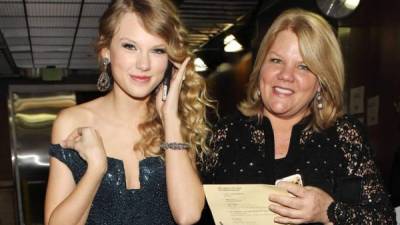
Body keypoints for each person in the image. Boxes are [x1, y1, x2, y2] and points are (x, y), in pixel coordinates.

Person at [200, 8, 395, 224]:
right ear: (261, 66)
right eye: (276, 60)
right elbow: (192, 214)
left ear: (321, 81)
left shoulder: (344, 136)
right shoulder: (225, 134)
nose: (285, 75)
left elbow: (383, 219)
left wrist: (328, 211)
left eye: (303, 66)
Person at [44, 0, 214, 224]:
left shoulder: (175, 124)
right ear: (106, 52)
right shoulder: (73, 122)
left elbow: (188, 215)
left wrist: (170, 119)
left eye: (157, 50)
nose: (144, 64)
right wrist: (95, 170)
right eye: (130, 46)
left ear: (170, 60)